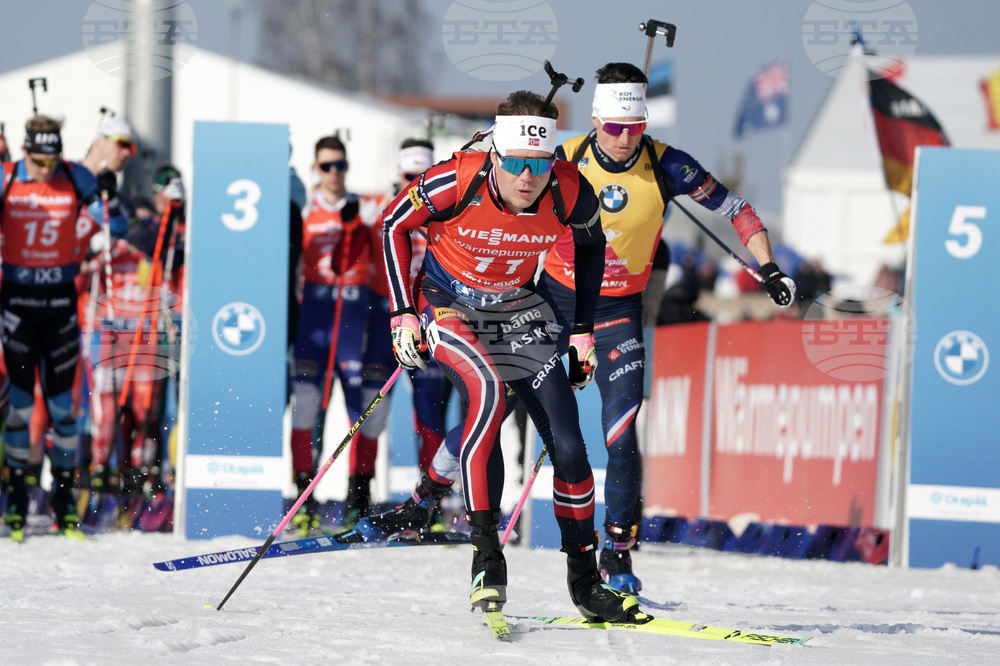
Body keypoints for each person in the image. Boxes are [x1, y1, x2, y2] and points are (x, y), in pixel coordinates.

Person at [358, 63, 797, 597]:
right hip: (521, 302)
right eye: (614, 126)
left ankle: (609, 559)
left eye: (635, 126)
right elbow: (400, 220)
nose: (624, 138)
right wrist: (404, 311)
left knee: (604, 437)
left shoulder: (639, 170)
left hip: (591, 310)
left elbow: (727, 210)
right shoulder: (545, 161)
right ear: (594, 121)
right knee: (491, 405)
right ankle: (447, 518)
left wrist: (768, 268)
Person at [378, 90, 646, 624]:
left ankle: (585, 582)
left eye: (540, 165)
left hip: (518, 308)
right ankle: (486, 558)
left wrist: (582, 331)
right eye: (517, 163)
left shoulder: (570, 189)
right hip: (448, 304)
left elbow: (592, 247)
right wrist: (402, 312)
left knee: (569, 446)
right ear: (497, 155)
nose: (528, 178)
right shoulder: (457, 180)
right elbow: (392, 224)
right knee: (488, 394)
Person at [0, 116, 127, 541]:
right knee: (20, 406)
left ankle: (64, 503)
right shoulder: (6, 177)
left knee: (63, 411)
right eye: (39, 161)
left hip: (59, 307)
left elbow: (117, 226)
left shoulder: (75, 176)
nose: (46, 168)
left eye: (53, 159)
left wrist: (108, 198)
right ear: (25, 152)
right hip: (17, 306)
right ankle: (17, 501)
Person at [346, 138, 449, 528]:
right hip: (384, 321)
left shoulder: (446, 209)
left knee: (429, 414)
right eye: (409, 175)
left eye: (421, 176)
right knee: (371, 414)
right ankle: (358, 499)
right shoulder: (380, 209)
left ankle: (431, 506)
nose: (414, 183)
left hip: (427, 317)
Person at [289, 135, 370, 533]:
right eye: (326, 166)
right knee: (306, 407)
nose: (334, 173)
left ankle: (359, 500)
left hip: (352, 321)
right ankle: (303, 496)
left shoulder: (364, 208)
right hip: (315, 321)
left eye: (340, 165)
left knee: (364, 413)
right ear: (315, 169)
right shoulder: (305, 209)